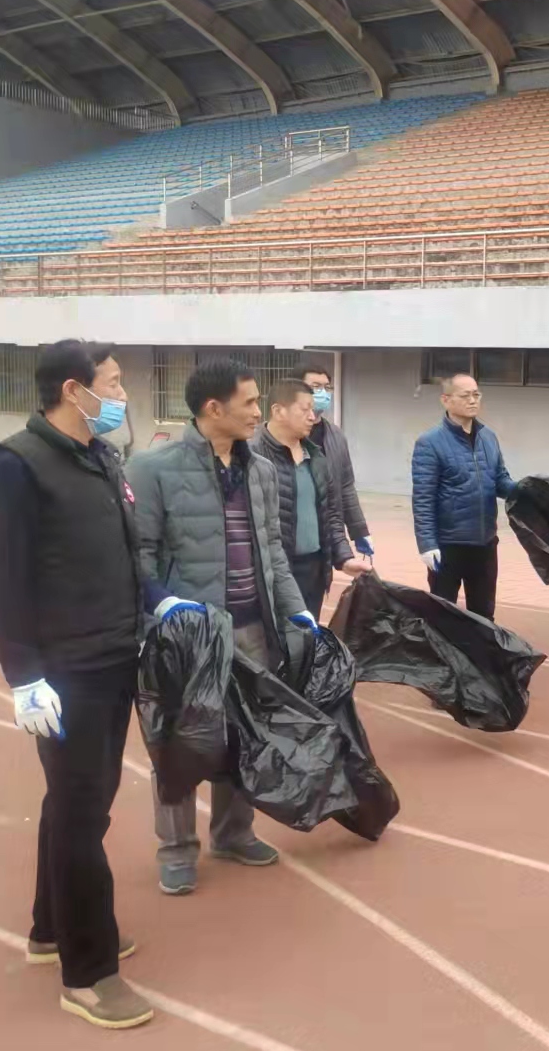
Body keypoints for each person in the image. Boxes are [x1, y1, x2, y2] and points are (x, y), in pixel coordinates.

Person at [0, 340, 153, 1031]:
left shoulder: (100, 457)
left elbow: (125, 551)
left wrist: (158, 602)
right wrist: (24, 677)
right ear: (75, 390)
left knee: (82, 803)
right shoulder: (14, 465)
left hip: (114, 655)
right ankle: (89, 972)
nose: (123, 395)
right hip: (65, 672)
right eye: (114, 382)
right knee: (81, 816)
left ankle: (50, 928)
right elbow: (1, 580)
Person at [126, 359, 314, 897]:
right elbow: (138, 555)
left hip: (253, 629)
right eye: (249, 402)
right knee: (181, 744)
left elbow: (272, 549)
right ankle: (176, 850)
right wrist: (162, 608)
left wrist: (296, 609)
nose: (258, 412)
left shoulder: (260, 469)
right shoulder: (153, 469)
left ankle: (233, 834)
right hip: (188, 637)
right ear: (214, 408)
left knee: (243, 736)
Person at [249, 380, 370, 615]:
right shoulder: (252, 457)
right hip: (272, 574)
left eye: (313, 410)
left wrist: (344, 558)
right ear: (278, 411)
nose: (312, 417)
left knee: (309, 634)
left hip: (314, 572)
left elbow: (331, 515)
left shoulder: (316, 457)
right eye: (305, 410)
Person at [411, 371, 518, 620]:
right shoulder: (430, 442)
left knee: (483, 616)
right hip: (448, 546)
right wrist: (427, 544)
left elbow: (500, 480)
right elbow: (423, 498)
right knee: (443, 616)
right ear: (446, 400)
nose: (472, 400)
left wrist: (527, 490)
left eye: (476, 395)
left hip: (484, 544)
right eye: (465, 395)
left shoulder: (488, 437)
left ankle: (480, 648)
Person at [298, 362, 374, 564]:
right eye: (315, 387)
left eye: (327, 387)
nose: (323, 393)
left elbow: (346, 487)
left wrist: (359, 530)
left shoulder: (336, 436)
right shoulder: (282, 436)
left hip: (327, 533)